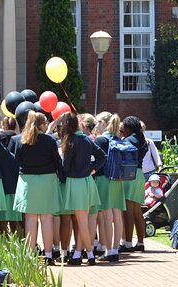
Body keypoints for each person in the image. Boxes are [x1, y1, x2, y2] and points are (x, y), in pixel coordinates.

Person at [13, 111, 63, 265]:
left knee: (30, 219)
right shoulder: (49, 141)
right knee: (47, 218)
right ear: (42, 124)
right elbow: (57, 162)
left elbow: (17, 160)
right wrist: (62, 177)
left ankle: (30, 255)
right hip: (47, 180)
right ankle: (48, 255)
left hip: (28, 181)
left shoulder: (22, 140)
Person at [58, 111, 105, 265]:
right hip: (87, 181)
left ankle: (90, 254)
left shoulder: (70, 141)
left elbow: (65, 166)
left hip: (76, 182)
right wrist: (92, 169)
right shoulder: (86, 139)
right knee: (82, 220)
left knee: (82, 221)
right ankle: (78, 254)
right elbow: (102, 156)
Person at [93, 112, 125, 262]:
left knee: (106, 216)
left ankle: (107, 250)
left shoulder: (100, 140)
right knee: (117, 215)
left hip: (103, 179)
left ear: (105, 122)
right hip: (118, 180)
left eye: (98, 121)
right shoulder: (119, 139)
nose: (96, 124)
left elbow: (95, 160)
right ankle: (115, 250)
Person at [120, 115, 148, 252]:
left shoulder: (128, 140)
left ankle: (128, 243)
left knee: (128, 211)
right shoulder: (142, 139)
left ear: (128, 128)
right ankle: (141, 242)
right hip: (140, 174)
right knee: (137, 211)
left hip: (129, 175)